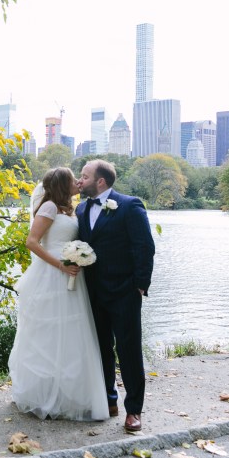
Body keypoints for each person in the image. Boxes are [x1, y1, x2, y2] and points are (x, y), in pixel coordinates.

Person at [7, 167, 109, 421]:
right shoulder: (50, 207)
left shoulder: (70, 209)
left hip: (72, 276)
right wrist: (60, 265)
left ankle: (69, 395)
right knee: (49, 334)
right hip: (53, 276)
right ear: (63, 184)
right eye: (72, 178)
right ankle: (45, 396)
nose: (78, 181)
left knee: (72, 334)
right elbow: (32, 242)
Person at [76, 159, 155, 433]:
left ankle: (133, 410)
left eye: (84, 177)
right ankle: (108, 400)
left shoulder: (129, 205)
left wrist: (140, 285)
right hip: (92, 292)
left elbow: (144, 246)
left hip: (124, 292)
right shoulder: (80, 208)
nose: (80, 181)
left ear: (100, 181)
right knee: (100, 350)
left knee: (128, 351)